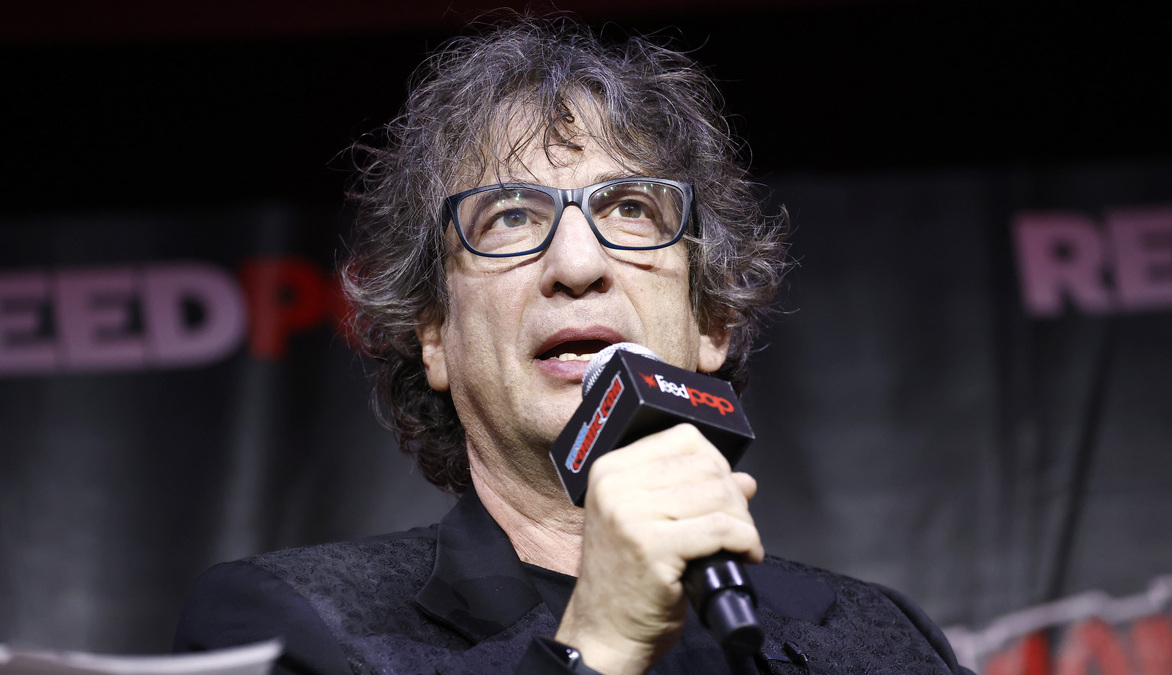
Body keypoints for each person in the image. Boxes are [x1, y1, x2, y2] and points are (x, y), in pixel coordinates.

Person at [174, 17, 972, 675]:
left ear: (711, 321)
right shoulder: (298, 626)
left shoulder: (881, 639)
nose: (578, 265)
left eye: (629, 209)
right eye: (510, 218)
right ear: (434, 335)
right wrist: (599, 645)